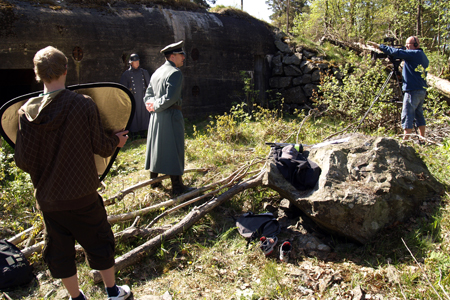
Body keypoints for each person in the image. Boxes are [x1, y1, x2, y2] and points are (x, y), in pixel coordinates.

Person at [14, 46, 131, 300]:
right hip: (83, 196)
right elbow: (101, 147)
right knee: (100, 242)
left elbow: (23, 161)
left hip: (49, 200)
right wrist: (116, 142)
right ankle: (113, 292)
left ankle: (76, 298)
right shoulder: (82, 104)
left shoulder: (25, 113)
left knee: (60, 252)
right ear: (66, 70)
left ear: (37, 74)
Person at [144, 40, 192, 195]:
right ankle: (177, 187)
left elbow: (148, 95)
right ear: (173, 56)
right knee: (174, 148)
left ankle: (154, 182)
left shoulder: (157, 72)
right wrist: (156, 106)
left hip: (156, 117)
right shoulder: (175, 73)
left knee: (156, 148)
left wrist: (152, 106)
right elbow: (170, 98)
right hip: (170, 115)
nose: (184, 57)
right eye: (181, 54)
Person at [368, 36, 429, 140]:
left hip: (412, 90)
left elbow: (399, 53)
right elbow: (401, 52)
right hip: (421, 90)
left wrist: (380, 47)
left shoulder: (414, 54)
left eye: (408, 45)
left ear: (415, 45)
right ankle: (423, 139)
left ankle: (405, 140)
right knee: (419, 115)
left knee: (407, 114)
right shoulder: (422, 55)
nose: (406, 47)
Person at [120, 53, 151, 139]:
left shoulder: (144, 72)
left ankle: (142, 132)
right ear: (131, 63)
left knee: (143, 114)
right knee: (134, 115)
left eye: (137, 61)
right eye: (135, 61)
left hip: (142, 96)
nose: (137, 63)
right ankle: (134, 134)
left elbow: (149, 85)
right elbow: (123, 88)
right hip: (133, 97)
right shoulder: (127, 74)